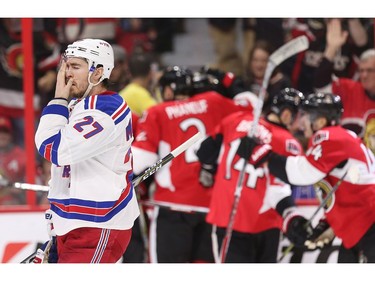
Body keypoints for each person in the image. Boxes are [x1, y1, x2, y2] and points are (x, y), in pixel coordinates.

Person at [131, 65, 255, 263]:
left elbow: (142, 158)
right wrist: (230, 80)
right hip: (210, 208)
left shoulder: (157, 112)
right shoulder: (213, 102)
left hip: (172, 207)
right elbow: (252, 109)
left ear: (169, 90)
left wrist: (118, 177)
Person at [34, 38, 139, 263]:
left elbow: (54, 149)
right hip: (73, 222)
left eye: (75, 67)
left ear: (98, 72)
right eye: (65, 66)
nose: (66, 74)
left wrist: (58, 99)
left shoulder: (105, 109)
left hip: (97, 225)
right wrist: (57, 225)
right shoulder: (78, 106)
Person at [242, 92, 375, 263]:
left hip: (368, 227)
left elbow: (302, 173)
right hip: (361, 230)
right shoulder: (342, 138)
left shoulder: (329, 136)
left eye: (304, 115)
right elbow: (350, 189)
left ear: (319, 121)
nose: (300, 121)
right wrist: (326, 224)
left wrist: (264, 155)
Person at [196, 87, 310, 263]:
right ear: (287, 114)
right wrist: (291, 216)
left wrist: (210, 170)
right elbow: (279, 189)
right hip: (266, 224)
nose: (304, 122)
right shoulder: (288, 142)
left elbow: (204, 152)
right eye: (301, 115)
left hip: (227, 220)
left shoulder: (235, 121)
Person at [314, 19, 375, 138]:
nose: (364, 75)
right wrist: (331, 49)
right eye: (361, 70)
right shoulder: (349, 90)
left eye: (369, 70)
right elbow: (320, 85)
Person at [119, 52, 158, 117]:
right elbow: (158, 116)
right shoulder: (141, 94)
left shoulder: (122, 93)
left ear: (129, 73)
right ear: (150, 73)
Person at [0, 115, 27, 205]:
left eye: (5, 132)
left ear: (11, 134)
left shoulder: (21, 155)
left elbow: (31, 183)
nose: (2, 135)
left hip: (13, 204)